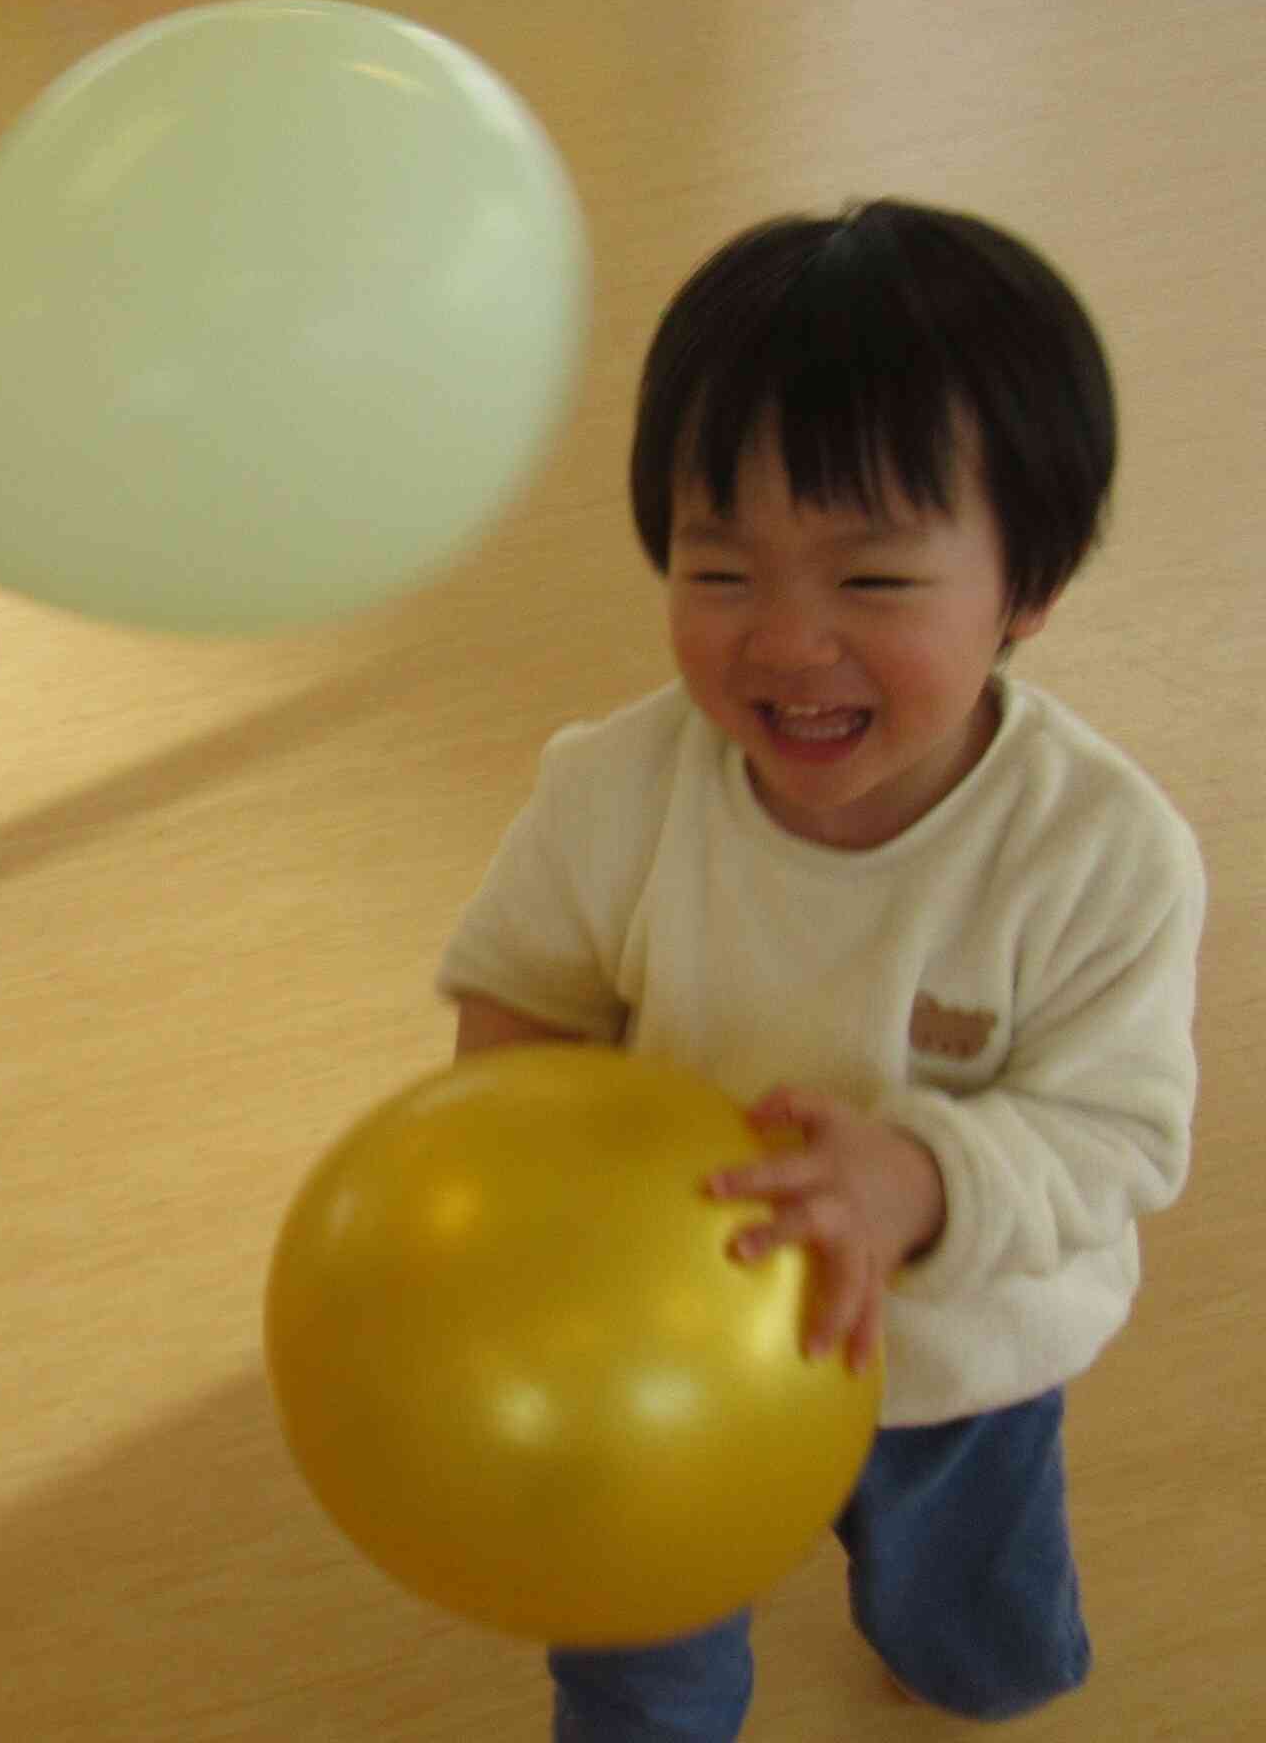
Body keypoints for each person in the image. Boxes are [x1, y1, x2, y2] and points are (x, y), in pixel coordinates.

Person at [436, 200, 1205, 1739]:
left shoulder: (1101, 855)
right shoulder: (615, 792)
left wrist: (921, 1182)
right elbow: (518, 991)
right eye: (721, 573)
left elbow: (1121, 1136)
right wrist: (530, 1177)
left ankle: (962, 1659)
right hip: (662, 1353)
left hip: (951, 1359)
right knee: (639, 1647)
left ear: (1027, 593)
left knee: (968, 1610)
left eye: (872, 584)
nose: (787, 644)